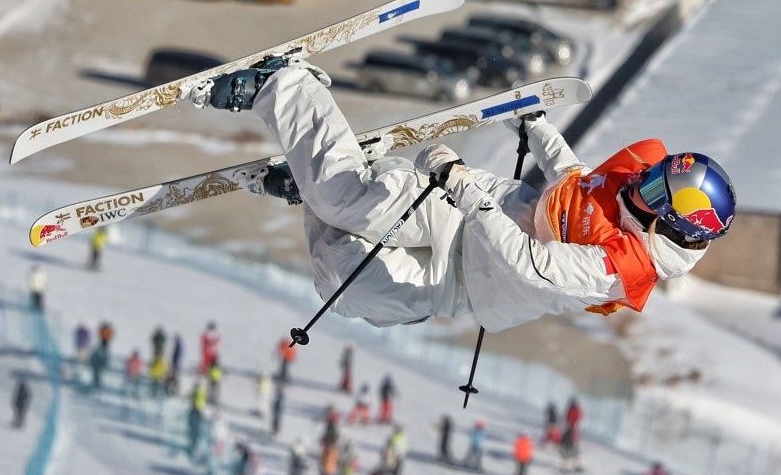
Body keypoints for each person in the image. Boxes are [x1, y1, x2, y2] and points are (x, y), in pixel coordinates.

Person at [193, 58, 736, 333]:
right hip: (454, 215)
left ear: (670, 224)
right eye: (655, 173)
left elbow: (531, 264)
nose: (641, 181)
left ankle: (312, 176)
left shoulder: (619, 269)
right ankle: (285, 84)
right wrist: (535, 129)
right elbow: (575, 180)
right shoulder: (634, 194)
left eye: (655, 188)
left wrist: (462, 182)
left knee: (342, 285)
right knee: (344, 198)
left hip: (464, 283)